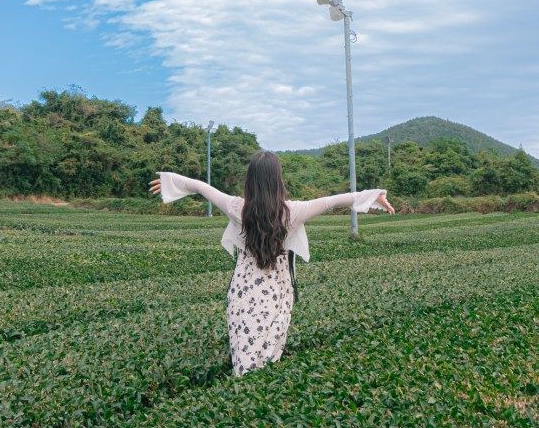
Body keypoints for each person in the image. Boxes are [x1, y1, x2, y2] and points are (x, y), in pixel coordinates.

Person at [150, 150, 395, 376]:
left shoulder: (236, 207)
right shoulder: (293, 211)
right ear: (278, 180)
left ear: (250, 180)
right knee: (268, 356)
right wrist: (375, 195)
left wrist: (170, 181)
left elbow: (201, 187)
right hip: (276, 293)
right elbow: (335, 200)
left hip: (243, 293)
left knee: (243, 359)